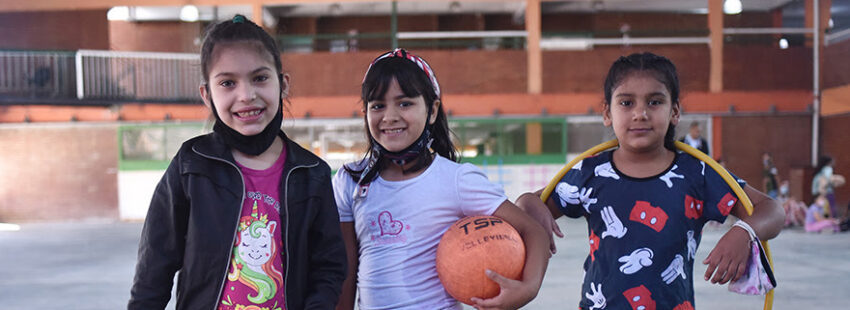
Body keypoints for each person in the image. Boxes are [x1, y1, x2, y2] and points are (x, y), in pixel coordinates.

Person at [514, 53, 784, 310]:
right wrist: (527, 201)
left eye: (654, 102)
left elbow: (772, 210)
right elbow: (529, 206)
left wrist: (744, 232)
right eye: (626, 102)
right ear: (607, 113)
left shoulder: (697, 174)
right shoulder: (591, 173)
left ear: (674, 111)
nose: (640, 113)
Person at [128, 15, 346, 310]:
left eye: (260, 78)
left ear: (283, 84)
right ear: (207, 95)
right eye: (228, 82)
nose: (246, 95)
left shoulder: (311, 173)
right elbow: (155, 265)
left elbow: (328, 267)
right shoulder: (191, 165)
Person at [332, 48, 549, 310]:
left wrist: (528, 289)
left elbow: (533, 231)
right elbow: (344, 269)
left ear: (432, 110)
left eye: (405, 103)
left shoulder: (457, 180)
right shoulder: (350, 180)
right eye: (377, 105)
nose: (389, 117)